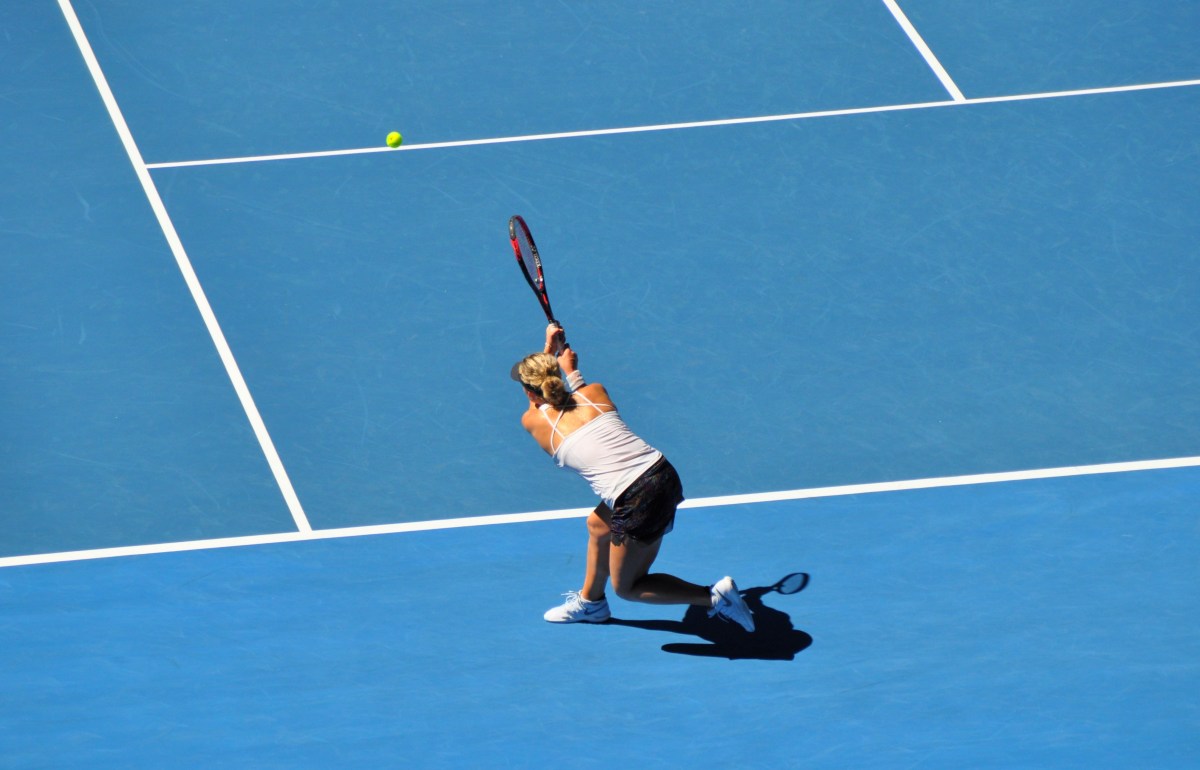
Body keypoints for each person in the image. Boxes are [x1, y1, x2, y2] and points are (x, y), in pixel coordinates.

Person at [511, 323, 754, 631]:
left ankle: (715, 597)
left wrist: (548, 351)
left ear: (529, 392)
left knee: (628, 587)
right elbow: (567, 389)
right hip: (662, 472)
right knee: (598, 525)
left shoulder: (533, 422)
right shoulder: (594, 392)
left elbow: (538, 398)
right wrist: (565, 364)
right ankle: (591, 603)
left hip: (638, 497)